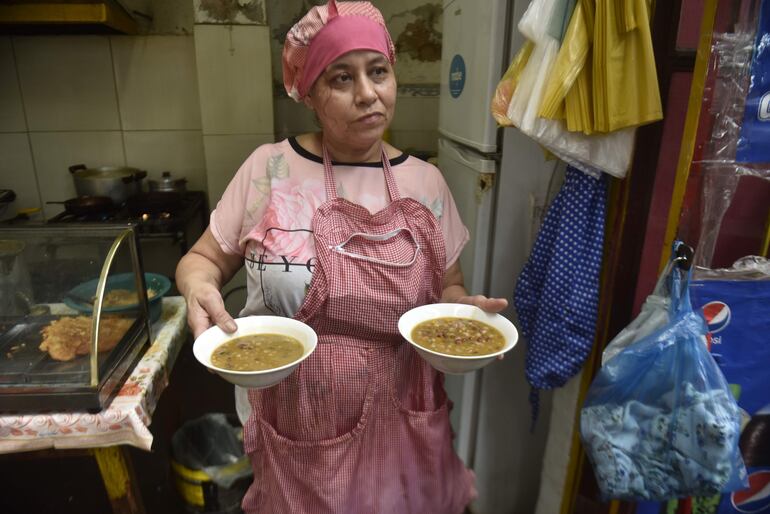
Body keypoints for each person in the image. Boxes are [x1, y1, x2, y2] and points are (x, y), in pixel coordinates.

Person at [175, 1, 508, 512]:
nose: (368, 93)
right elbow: (204, 259)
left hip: (404, 418)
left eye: (379, 72)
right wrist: (198, 286)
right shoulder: (269, 170)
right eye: (341, 79)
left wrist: (464, 315)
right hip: (297, 417)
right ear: (309, 93)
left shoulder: (426, 182)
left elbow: (447, 288)